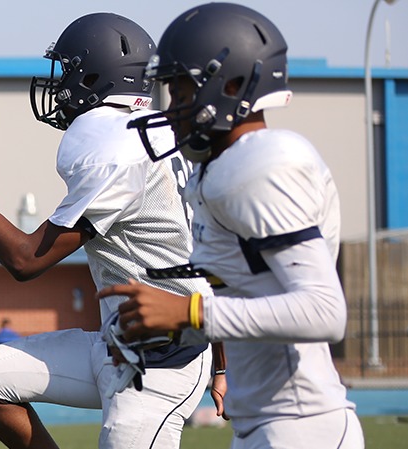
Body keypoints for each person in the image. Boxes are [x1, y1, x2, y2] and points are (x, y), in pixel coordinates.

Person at [0, 12, 217, 449]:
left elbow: (26, 260)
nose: (60, 83)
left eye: (68, 69)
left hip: (162, 361)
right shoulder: (153, 131)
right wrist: (222, 366)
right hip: (117, 343)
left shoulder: (118, 147)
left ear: (96, 72)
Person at [106, 3, 362, 448]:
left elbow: (325, 311)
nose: (172, 108)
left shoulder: (262, 163)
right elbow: (257, 295)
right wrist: (172, 326)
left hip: (301, 425)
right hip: (264, 423)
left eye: (182, 91)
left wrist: (187, 312)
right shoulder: (221, 168)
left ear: (231, 85)